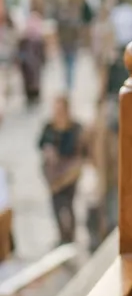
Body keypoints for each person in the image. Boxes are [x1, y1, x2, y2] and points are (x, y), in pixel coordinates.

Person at [39, 95, 87, 245]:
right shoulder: (49, 127)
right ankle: (62, 235)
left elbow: (81, 151)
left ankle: (70, 236)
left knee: (68, 204)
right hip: (54, 173)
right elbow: (41, 145)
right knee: (56, 205)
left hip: (69, 173)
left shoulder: (75, 128)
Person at [17, 11, 46, 108]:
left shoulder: (38, 40)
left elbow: (42, 52)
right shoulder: (25, 39)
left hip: (33, 64)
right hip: (28, 64)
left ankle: (34, 97)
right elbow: (20, 51)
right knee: (30, 81)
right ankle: (31, 97)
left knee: (34, 80)